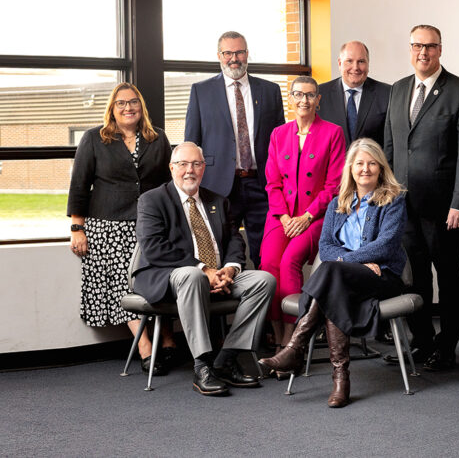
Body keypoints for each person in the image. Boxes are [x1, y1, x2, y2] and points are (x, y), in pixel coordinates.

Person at [258, 138, 408, 407]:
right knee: (334, 281)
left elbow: (386, 245)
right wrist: (350, 265)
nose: (365, 169)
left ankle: (296, 347)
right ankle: (340, 378)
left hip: (382, 276)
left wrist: (346, 263)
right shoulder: (338, 203)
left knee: (331, 274)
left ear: (381, 167)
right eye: (359, 163)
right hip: (347, 276)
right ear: (350, 168)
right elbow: (325, 246)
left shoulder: (393, 200)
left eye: (372, 163)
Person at [134, 142, 276, 396]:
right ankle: (202, 365)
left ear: (203, 168)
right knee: (192, 276)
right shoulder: (152, 200)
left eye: (196, 164)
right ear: (171, 168)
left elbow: (234, 240)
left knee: (263, 280)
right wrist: (204, 269)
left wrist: (230, 270)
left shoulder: (217, 201)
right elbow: (154, 248)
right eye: (183, 164)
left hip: (218, 275)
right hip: (170, 275)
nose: (190, 170)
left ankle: (227, 357)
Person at [383, 24, 459, 371]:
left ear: (440, 50)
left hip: (444, 208)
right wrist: (387, 196)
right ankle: (421, 341)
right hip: (403, 207)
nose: (423, 53)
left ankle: (448, 345)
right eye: (417, 46)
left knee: (449, 276)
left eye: (430, 47)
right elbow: (392, 149)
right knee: (415, 277)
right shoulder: (397, 90)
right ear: (410, 49)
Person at [67, 83, 176, 374]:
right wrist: (77, 227)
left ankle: (168, 338)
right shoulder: (94, 139)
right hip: (108, 226)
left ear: (141, 107)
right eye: (121, 103)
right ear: (112, 109)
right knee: (121, 284)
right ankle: (144, 347)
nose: (128, 108)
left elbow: (169, 184)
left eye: (133, 103)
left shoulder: (158, 138)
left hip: (151, 225)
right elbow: (79, 185)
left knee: (160, 279)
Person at [184, 30, 285, 268]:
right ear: (219, 56)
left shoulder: (270, 91)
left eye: (239, 52)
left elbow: (281, 143)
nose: (234, 58)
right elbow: (192, 143)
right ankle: (224, 302)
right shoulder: (201, 91)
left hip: (261, 185)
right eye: (228, 53)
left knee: (267, 253)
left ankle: (265, 301)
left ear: (247, 54)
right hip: (217, 186)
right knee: (219, 249)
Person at [260, 76, 346, 350]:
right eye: (298, 94)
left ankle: (291, 339)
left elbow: (334, 186)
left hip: (316, 216)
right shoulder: (278, 134)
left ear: (318, 100)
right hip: (281, 216)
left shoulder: (333, 133)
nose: (304, 100)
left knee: (289, 262)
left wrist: (306, 217)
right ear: (290, 98)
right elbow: (272, 183)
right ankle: (275, 335)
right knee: (269, 265)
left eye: (310, 95)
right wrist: (285, 218)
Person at [317, 41, 392, 148]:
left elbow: (391, 141)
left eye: (361, 61)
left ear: (368, 64)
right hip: (333, 164)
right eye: (349, 61)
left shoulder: (388, 93)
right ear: (339, 63)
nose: (355, 67)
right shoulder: (320, 94)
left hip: (371, 163)